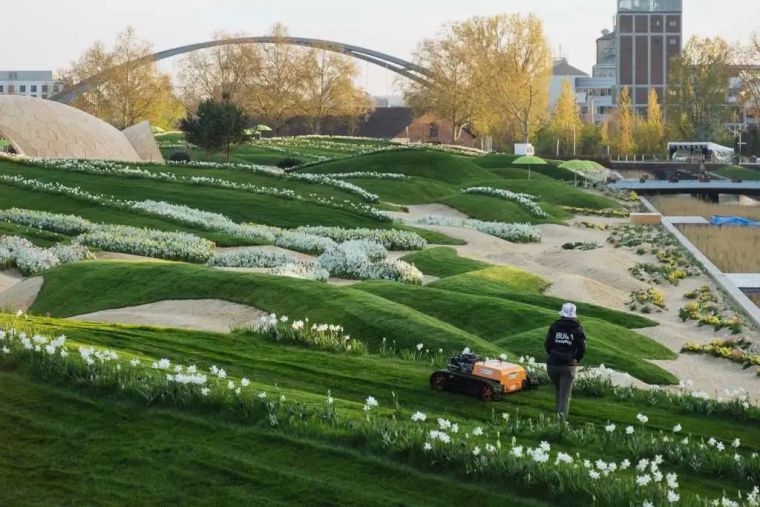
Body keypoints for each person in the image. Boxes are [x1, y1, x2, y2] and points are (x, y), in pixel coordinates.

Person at [544, 303, 586, 419]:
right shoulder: (578, 329)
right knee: (565, 396)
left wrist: (553, 355)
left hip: (552, 365)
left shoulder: (554, 326)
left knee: (559, 391)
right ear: (574, 315)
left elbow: (547, 345)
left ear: (562, 313)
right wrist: (575, 359)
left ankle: (556, 418)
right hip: (568, 366)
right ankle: (560, 425)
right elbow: (582, 348)